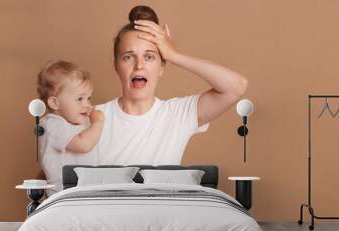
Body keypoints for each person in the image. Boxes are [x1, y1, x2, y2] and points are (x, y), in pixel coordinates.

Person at [91, 5, 248, 165]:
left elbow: (236, 87)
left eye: (149, 57)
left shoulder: (177, 115)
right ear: (116, 65)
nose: (139, 66)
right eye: (128, 57)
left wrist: (174, 55)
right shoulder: (92, 118)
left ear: (162, 66)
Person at [37, 60, 104, 195]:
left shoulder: (77, 122)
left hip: (78, 191)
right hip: (62, 193)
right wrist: (98, 123)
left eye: (88, 98)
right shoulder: (52, 124)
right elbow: (83, 144)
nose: (87, 105)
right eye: (80, 99)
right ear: (55, 103)